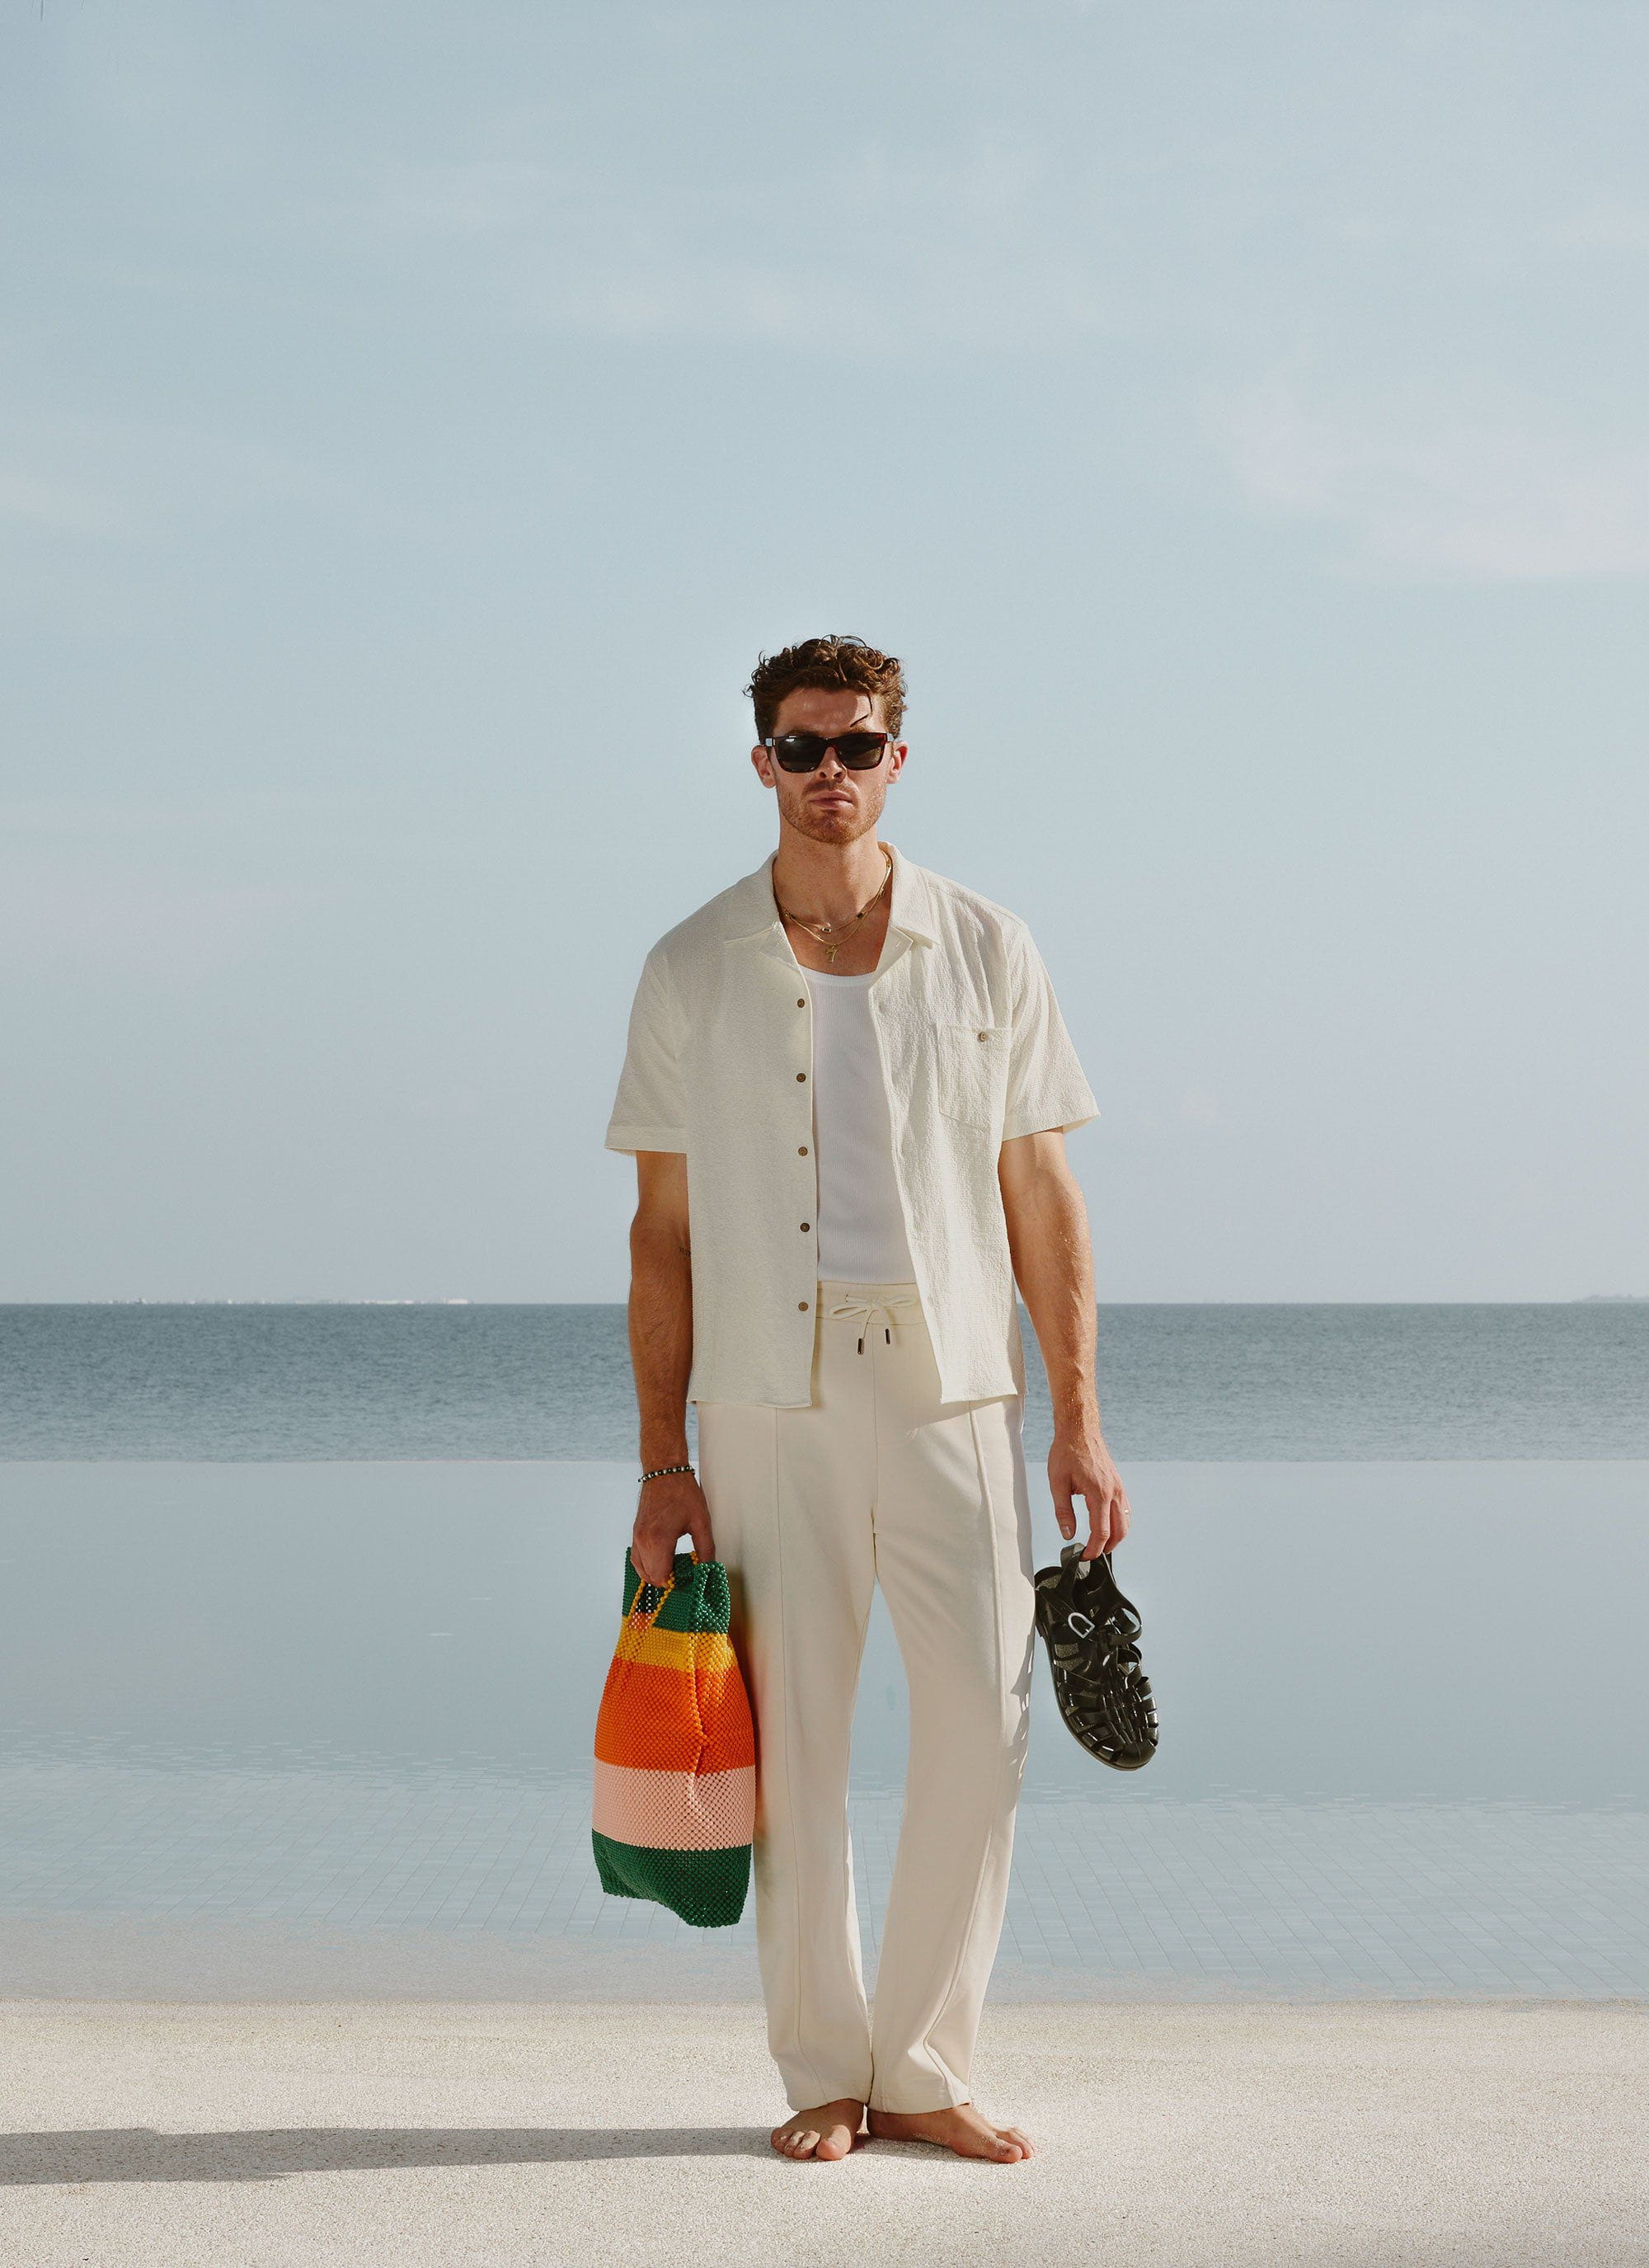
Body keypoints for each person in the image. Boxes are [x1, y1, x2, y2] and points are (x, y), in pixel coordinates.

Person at [604, 633, 1129, 2164]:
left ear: (901, 758)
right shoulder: (689, 965)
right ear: (759, 761)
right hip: (768, 1399)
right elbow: (663, 1235)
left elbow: (1043, 1192)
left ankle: (926, 2063)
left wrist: (1079, 1417)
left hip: (956, 1385)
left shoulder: (988, 945)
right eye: (801, 745)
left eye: (858, 744)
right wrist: (661, 1461)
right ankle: (824, 2068)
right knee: (805, 1748)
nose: (830, 772)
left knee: (984, 1718)